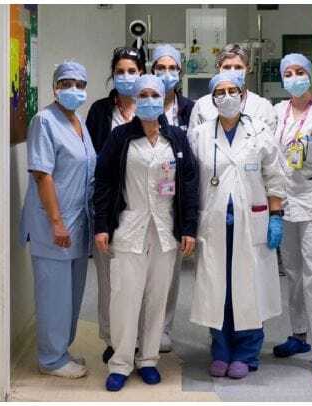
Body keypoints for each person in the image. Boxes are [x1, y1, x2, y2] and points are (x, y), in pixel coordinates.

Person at [93, 75, 199, 392]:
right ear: (136, 100)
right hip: (129, 226)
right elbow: (104, 183)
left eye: (156, 94)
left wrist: (189, 227)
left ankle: (149, 359)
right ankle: (121, 362)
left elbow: (189, 185)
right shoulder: (120, 137)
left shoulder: (176, 139)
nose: (151, 99)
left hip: (166, 229)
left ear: (164, 96)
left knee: (157, 297)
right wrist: (101, 225)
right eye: (144, 95)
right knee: (124, 297)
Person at [188, 71, 286, 379]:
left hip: (252, 222)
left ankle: (247, 352)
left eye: (233, 90)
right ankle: (220, 349)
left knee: (249, 287)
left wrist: (276, 217)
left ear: (243, 95)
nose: (227, 96)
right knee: (218, 288)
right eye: (221, 91)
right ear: (212, 97)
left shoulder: (260, 132)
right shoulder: (200, 134)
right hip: (214, 224)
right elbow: (191, 182)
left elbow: (275, 178)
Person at [19, 61, 96, 379]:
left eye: (80, 84)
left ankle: (61, 350)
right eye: (66, 83)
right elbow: (42, 174)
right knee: (54, 295)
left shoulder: (77, 120)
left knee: (72, 294)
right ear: (54, 87)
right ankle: (50, 359)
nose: (74, 90)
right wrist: (56, 221)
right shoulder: (44, 120)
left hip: (79, 222)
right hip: (54, 224)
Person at [271, 53, 312, 379]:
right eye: (288, 73)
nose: (294, 77)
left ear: (309, 75)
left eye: (299, 72)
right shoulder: (278, 112)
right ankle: (299, 335)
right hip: (286, 201)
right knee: (292, 272)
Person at [85, 46, 145, 364]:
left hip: (144, 205)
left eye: (132, 71)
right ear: (112, 74)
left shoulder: (149, 106)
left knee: (141, 278)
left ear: (141, 73)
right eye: (120, 71)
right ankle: (112, 339)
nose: (125, 77)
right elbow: (92, 159)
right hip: (109, 206)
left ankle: (139, 339)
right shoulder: (98, 111)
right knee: (109, 280)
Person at [150, 43, 196, 353]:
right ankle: (141, 329)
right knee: (140, 270)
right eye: (160, 68)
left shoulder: (191, 109)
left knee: (170, 271)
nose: (166, 74)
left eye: (172, 68)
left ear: (180, 72)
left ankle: (163, 328)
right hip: (142, 198)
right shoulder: (144, 102)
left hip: (175, 200)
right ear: (150, 71)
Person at [187, 43, 277, 134]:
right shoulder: (203, 106)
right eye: (227, 67)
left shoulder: (262, 107)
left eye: (238, 67)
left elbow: (270, 144)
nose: (232, 72)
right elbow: (193, 142)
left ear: (248, 69)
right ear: (219, 69)